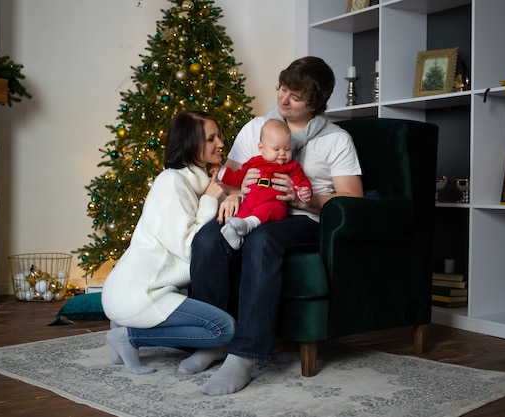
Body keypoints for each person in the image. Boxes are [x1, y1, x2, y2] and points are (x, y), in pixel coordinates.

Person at [189, 56, 364, 395]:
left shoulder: (336, 139)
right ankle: (213, 340)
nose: (283, 100)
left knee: (263, 240)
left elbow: (351, 199)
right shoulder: (256, 128)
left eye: (295, 96)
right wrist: (234, 193)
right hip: (254, 209)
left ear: (316, 101)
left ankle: (245, 355)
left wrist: (303, 200)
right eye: (282, 89)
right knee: (209, 238)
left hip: (306, 221)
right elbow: (229, 177)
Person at [102, 111, 236, 376]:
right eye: (211, 139)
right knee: (225, 329)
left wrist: (220, 193)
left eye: (218, 136)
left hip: (148, 291)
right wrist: (210, 200)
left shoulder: (194, 183)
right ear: (190, 144)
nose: (220, 143)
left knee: (215, 327)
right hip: (139, 293)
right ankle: (130, 337)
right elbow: (190, 251)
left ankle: (127, 332)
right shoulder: (171, 183)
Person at [217, 119, 312, 249]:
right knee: (242, 211)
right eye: (276, 149)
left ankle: (249, 224)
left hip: (274, 203)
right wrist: (223, 174)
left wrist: (304, 191)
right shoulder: (253, 162)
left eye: (287, 149)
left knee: (268, 209)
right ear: (261, 148)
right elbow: (239, 177)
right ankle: (234, 233)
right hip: (250, 202)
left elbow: (301, 181)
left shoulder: (292, 167)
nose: (282, 153)